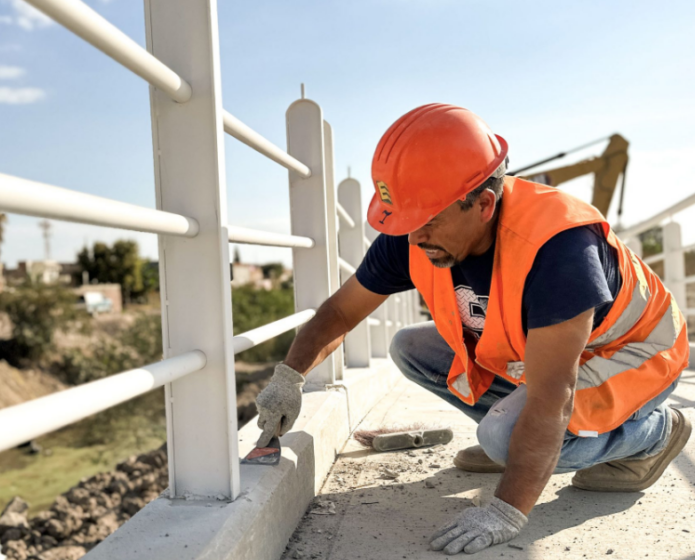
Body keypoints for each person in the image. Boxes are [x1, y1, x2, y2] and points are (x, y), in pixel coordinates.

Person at [254, 103, 692, 556]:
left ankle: (655, 435)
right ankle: (517, 444)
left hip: (636, 351)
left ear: (483, 203)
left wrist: (507, 508)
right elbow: (341, 313)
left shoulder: (559, 247)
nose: (415, 238)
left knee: (504, 437)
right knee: (411, 347)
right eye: (404, 221)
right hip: (559, 349)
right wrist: (290, 377)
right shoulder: (413, 232)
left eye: (427, 220)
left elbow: (552, 396)